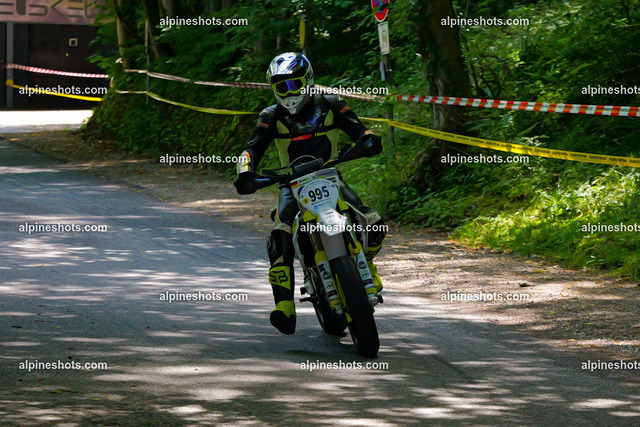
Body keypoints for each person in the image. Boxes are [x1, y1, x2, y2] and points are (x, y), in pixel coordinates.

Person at [234, 52, 386, 335]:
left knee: (372, 220)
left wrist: (368, 141)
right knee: (280, 234)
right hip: (290, 185)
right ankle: (284, 306)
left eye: (294, 84)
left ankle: (368, 266)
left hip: (330, 176)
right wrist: (245, 172)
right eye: (281, 87)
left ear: (308, 80)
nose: (288, 92)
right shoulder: (270, 116)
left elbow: (359, 130)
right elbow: (252, 149)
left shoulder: (331, 103)